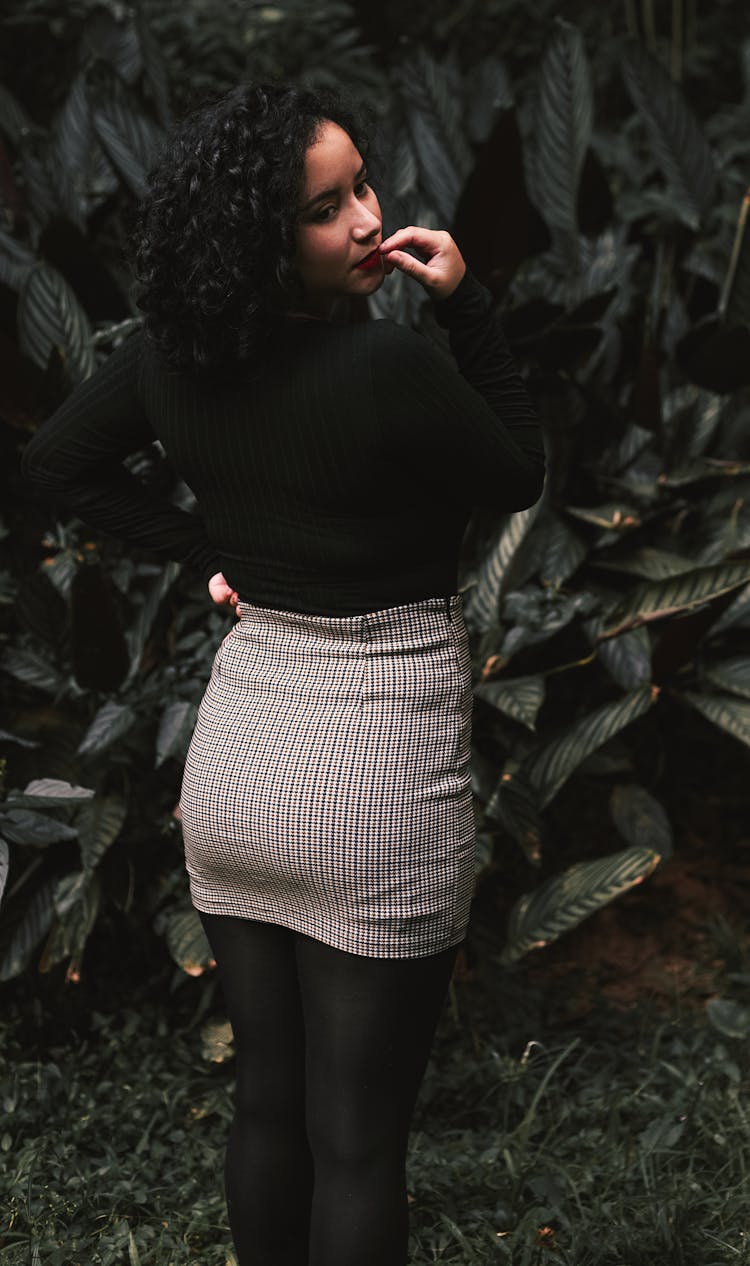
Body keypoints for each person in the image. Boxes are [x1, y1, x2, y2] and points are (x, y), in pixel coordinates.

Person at [21, 80, 545, 1266]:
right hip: (375, 781)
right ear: (263, 245)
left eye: (364, 186)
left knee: (270, 1106)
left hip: (240, 775)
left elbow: (60, 463)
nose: (367, 221)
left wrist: (202, 546)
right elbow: (517, 469)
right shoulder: (392, 371)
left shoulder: (170, 361)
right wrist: (469, 312)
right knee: (357, 1144)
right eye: (326, 209)